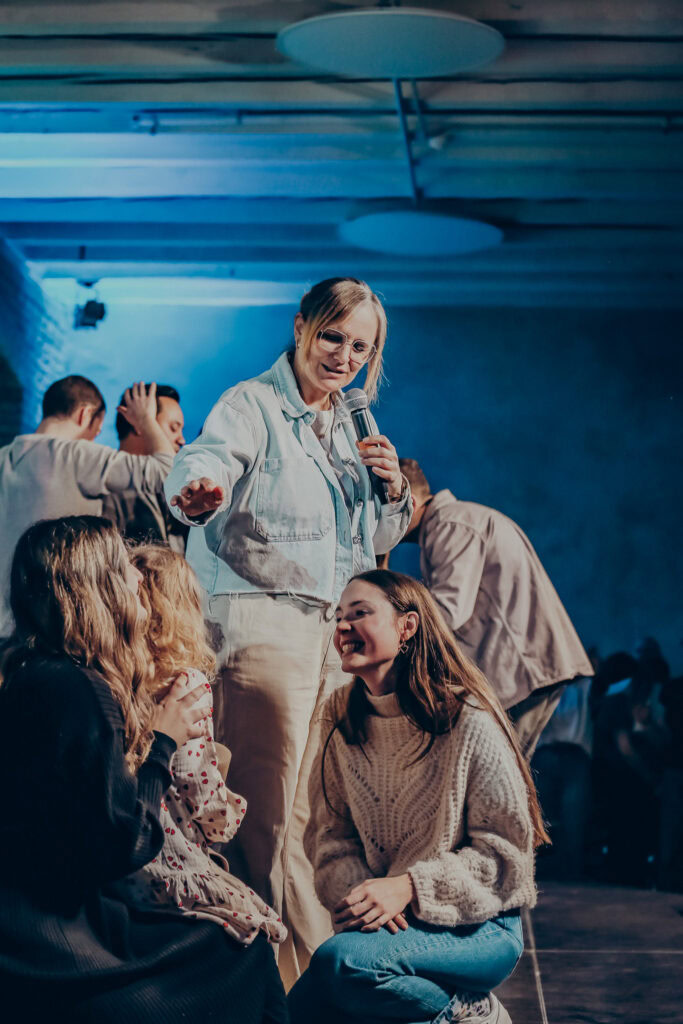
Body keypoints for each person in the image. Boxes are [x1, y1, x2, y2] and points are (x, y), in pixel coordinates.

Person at [164, 277, 411, 983]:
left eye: (359, 348)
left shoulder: (347, 426)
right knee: (263, 819)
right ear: (302, 325)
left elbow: (370, 541)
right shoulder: (253, 405)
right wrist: (197, 490)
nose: (343, 357)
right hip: (261, 628)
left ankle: (308, 973)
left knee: (314, 818)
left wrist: (390, 491)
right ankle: (267, 979)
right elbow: (206, 460)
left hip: (330, 639)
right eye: (332, 336)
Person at [0, 516, 288, 1024]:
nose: (137, 580)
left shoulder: (28, 671)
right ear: (96, 587)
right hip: (53, 943)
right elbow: (127, 843)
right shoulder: (81, 689)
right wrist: (165, 739)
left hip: (36, 918)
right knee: (245, 953)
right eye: (122, 568)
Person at [289, 569, 544, 1024]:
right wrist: (363, 901)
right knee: (302, 1005)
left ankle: (465, 1010)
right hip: (399, 925)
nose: (342, 627)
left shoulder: (467, 718)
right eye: (339, 617)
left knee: (341, 965)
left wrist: (407, 887)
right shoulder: (340, 715)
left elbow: (506, 856)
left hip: (481, 926)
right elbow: (330, 835)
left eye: (360, 613)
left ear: (407, 627)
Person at [124, 543, 287, 946]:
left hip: (125, 839)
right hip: (167, 848)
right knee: (260, 929)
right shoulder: (186, 683)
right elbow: (192, 779)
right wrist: (226, 817)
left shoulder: (119, 670)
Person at [397, 458, 592, 758]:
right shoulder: (457, 520)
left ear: (406, 501)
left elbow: (448, 610)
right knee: (504, 780)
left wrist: (394, 622)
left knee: (500, 782)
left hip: (519, 671)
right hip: (524, 670)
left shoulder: (450, 524)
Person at [0, 375, 175, 637]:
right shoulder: (79, 455)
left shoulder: (3, 457)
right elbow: (167, 470)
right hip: (48, 630)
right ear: (85, 415)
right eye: (96, 431)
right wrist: (146, 421)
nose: (94, 439)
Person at [102, 384, 188, 552]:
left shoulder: (169, 490)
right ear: (138, 422)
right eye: (173, 427)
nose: (182, 440)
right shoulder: (108, 486)